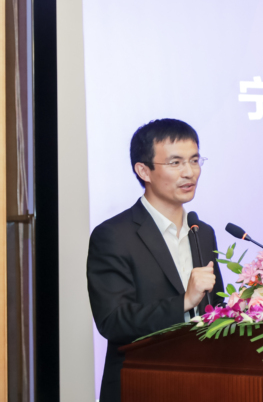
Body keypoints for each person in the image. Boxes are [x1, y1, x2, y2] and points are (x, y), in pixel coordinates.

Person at [87, 119, 225, 402]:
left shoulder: (202, 232)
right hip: (141, 386)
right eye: (175, 163)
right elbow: (113, 321)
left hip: (204, 385)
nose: (189, 172)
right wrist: (184, 302)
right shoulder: (113, 235)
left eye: (194, 160)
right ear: (143, 170)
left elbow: (214, 309)